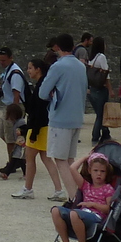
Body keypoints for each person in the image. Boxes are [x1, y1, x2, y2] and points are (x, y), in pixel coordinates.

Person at [48, 151, 121, 242]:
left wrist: (92, 204)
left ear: (107, 173)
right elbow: (72, 168)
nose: (99, 174)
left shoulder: (108, 189)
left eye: (102, 171)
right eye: (95, 171)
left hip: (96, 216)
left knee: (74, 213)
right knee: (55, 211)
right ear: (89, 171)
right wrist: (86, 157)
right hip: (81, 214)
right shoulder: (86, 185)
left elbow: (108, 209)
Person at [39, 34, 87, 197]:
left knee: (60, 160)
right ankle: (79, 193)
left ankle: (74, 196)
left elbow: (42, 92)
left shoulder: (58, 66)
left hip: (60, 118)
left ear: (57, 47)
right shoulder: (81, 66)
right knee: (70, 160)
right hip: (77, 117)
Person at [10, 56, 62, 199]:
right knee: (45, 158)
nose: (28, 71)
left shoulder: (41, 86)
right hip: (44, 126)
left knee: (30, 158)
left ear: (38, 69)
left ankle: (28, 189)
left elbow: (37, 111)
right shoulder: (43, 85)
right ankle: (58, 189)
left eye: (30, 68)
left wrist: (33, 132)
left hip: (37, 127)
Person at [0, 48, 28, 178]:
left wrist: (14, 114)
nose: (1, 63)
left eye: (3, 60)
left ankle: (12, 163)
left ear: (11, 58)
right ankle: (16, 161)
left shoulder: (15, 74)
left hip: (14, 107)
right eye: (0, 60)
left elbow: (16, 94)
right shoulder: (9, 70)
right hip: (9, 106)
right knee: (4, 135)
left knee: (10, 137)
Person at [85, 37, 111, 143]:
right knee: (101, 114)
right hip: (100, 89)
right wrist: (111, 89)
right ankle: (95, 136)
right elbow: (106, 74)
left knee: (99, 113)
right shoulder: (101, 57)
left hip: (92, 89)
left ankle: (106, 133)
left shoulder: (91, 58)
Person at [0, 102, 26, 179]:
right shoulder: (16, 122)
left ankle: (7, 173)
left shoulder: (21, 122)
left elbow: (26, 129)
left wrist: (21, 132)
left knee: (17, 159)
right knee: (16, 159)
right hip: (18, 144)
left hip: (22, 144)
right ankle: (7, 174)